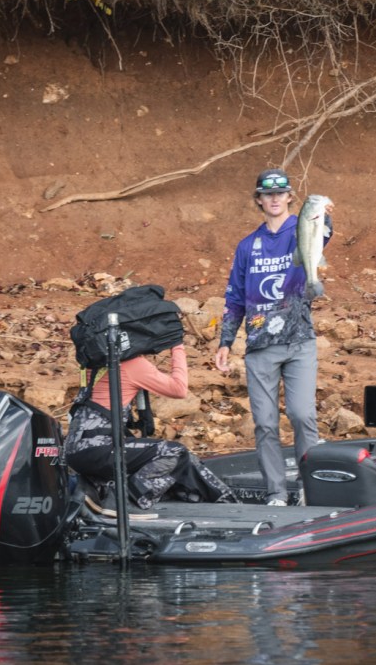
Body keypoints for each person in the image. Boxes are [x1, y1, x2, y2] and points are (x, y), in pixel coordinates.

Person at [214, 168, 334, 506]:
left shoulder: (301, 227)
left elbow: (322, 235)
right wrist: (225, 341)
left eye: (281, 193)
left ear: (290, 197)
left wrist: (324, 215)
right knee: (265, 423)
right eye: (268, 194)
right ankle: (276, 493)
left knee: (302, 415)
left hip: (299, 340)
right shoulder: (246, 246)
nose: (275, 199)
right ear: (259, 200)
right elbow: (234, 298)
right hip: (260, 345)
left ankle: (310, 488)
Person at [65, 343, 236, 512]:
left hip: (76, 450)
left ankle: (228, 503)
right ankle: (126, 500)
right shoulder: (133, 364)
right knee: (175, 452)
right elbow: (179, 389)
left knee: (186, 460)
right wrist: (177, 346)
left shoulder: (94, 363)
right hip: (99, 448)